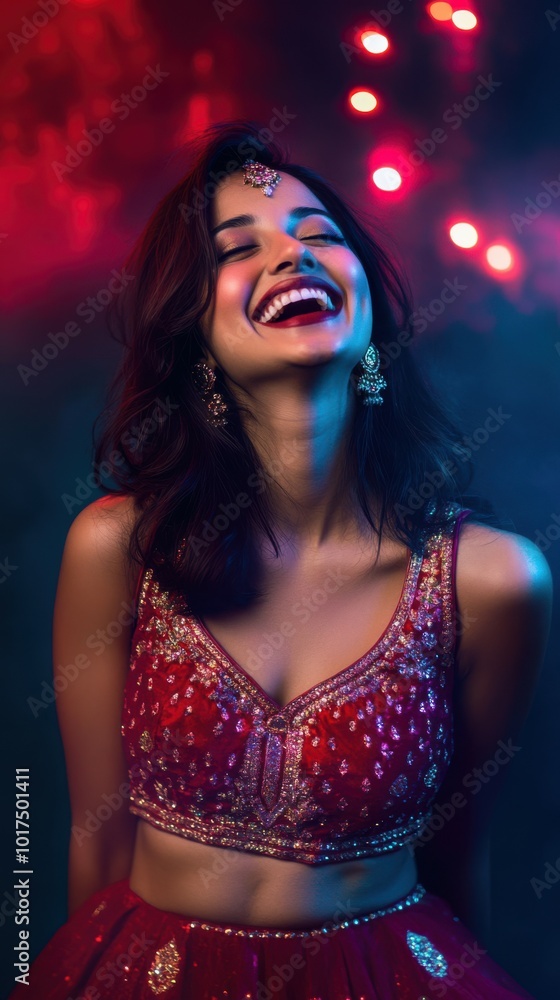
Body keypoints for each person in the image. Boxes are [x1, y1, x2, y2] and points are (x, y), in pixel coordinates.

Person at [10, 120, 552, 1000]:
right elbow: (97, 842)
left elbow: (460, 858)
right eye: (239, 248)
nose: (292, 256)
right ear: (192, 331)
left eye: (319, 237)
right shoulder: (122, 548)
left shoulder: (491, 581)